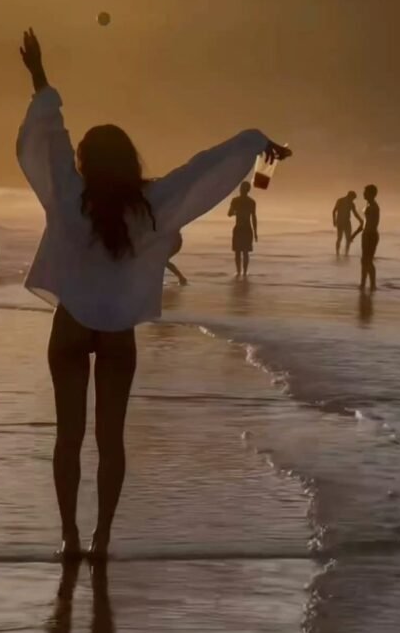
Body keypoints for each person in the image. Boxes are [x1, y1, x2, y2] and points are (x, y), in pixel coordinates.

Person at [16, 28, 292, 560]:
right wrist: (255, 141)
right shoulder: (151, 205)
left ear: (85, 161)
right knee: (111, 440)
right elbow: (201, 170)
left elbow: (50, 137)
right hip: (117, 332)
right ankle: (101, 539)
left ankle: (69, 537)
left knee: (68, 437)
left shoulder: (69, 193)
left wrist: (40, 76)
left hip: (70, 326)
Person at [228, 181, 257, 277]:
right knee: (245, 252)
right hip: (247, 229)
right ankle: (244, 272)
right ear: (248, 190)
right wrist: (255, 232)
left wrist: (237, 212)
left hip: (239, 228)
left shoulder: (235, 200)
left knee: (238, 252)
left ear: (241, 189)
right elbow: (253, 217)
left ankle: (239, 272)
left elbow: (229, 214)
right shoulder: (251, 202)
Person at [359, 184, 380, 292]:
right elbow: (365, 223)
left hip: (370, 235)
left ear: (371, 194)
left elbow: (372, 224)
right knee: (364, 260)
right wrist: (355, 234)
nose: (363, 193)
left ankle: (372, 285)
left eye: (365, 192)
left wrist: (367, 235)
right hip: (366, 234)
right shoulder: (369, 204)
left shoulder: (374, 207)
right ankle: (363, 283)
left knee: (368, 260)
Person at [332, 190, 362, 256]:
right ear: (349, 196)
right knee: (339, 238)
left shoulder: (352, 204)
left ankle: (346, 253)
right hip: (340, 222)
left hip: (347, 222)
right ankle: (337, 253)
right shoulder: (340, 201)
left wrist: (360, 220)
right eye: (353, 198)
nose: (353, 200)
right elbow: (334, 211)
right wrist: (334, 221)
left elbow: (355, 213)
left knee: (348, 239)